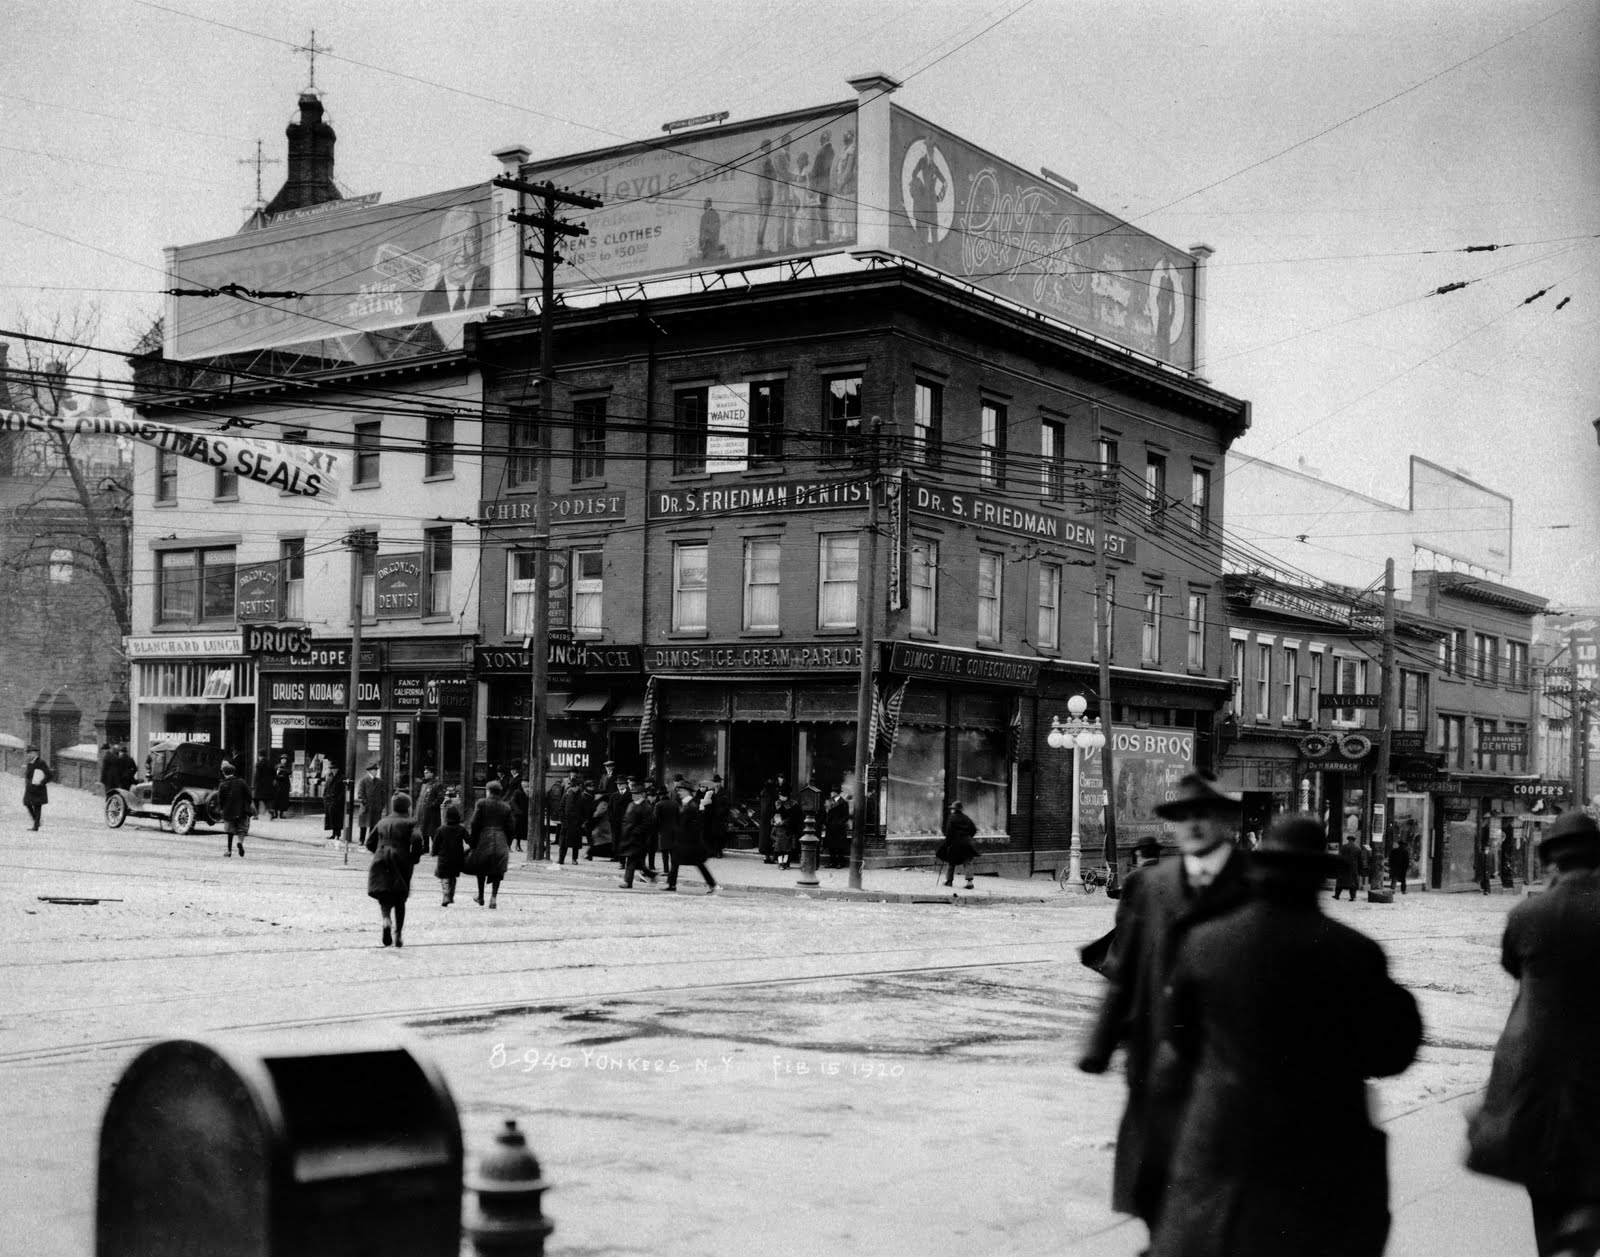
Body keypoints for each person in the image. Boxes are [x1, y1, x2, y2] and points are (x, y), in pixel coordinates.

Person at [1147, 814, 1423, 1257]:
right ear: (1319, 877)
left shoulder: (1202, 942)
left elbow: (1178, 1038)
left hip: (1221, 1145)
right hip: (1320, 1151)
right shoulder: (1354, 952)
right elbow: (1392, 1053)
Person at [1078, 772, 1251, 1239]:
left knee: (1213, 1173)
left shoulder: (1253, 884)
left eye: (1204, 816)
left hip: (1225, 1058)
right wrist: (1099, 1044)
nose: (1192, 825)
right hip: (1153, 1051)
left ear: (1226, 823)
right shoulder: (1151, 886)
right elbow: (1125, 970)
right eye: (1183, 817)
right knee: (1153, 1167)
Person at [1466, 812, 1600, 1257]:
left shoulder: (1529, 913)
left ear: (1550, 862)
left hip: (1539, 1077)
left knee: (1550, 1184)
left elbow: (1513, 966)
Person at [365, 792, 424, 947]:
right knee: (400, 896)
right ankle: (398, 933)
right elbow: (417, 839)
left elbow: (369, 842)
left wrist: (379, 851)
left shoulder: (383, 821)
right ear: (407, 807)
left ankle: (386, 920)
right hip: (402, 860)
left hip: (381, 859)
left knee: (384, 893)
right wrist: (414, 857)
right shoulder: (411, 822)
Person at [464, 779, 514, 908]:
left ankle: (480, 896)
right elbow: (511, 828)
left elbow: (474, 823)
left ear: (488, 791)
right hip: (501, 840)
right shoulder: (506, 806)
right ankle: (493, 898)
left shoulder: (481, 803)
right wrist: (507, 843)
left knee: (481, 868)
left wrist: (473, 840)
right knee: (498, 870)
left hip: (484, 839)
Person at [665, 781, 718, 894]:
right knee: (675, 861)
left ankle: (712, 884)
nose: (679, 792)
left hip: (690, 842)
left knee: (697, 863)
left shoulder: (692, 805)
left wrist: (688, 837)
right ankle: (671, 884)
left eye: (681, 791)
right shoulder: (683, 804)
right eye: (678, 790)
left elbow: (696, 825)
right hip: (683, 841)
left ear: (687, 792)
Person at [616, 777, 659, 888]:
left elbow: (646, 824)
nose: (633, 795)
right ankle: (651, 874)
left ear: (641, 795)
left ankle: (627, 882)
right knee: (637, 862)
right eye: (632, 793)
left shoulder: (646, 807)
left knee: (631, 860)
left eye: (635, 793)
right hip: (628, 837)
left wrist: (635, 832)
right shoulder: (631, 804)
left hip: (639, 839)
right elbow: (625, 819)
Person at [937, 799, 980, 889]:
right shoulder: (967, 818)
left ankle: (949, 881)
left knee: (951, 862)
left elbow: (949, 832)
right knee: (967, 862)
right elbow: (974, 830)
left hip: (955, 843)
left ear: (954, 809)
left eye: (952, 808)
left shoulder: (952, 818)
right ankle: (970, 882)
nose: (951, 810)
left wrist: (947, 843)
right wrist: (968, 837)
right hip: (967, 843)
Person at [431, 802, 468, 907]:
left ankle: (446, 895)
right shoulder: (461, 829)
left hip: (444, 857)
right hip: (457, 857)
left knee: (444, 876)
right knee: (452, 877)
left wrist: (434, 852)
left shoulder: (441, 829)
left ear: (446, 817)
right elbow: (469, 840)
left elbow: (436, 843)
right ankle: (451, 896)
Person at [215, 760, 252, 859]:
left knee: (229, 831)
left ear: (223, 773)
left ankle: (229, 851)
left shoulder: (222, 784)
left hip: (228, 811)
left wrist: (221, 809)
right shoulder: (241, 781)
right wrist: (246, 804)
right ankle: (240, 842)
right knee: (242, 828)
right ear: (233, 772)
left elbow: (220, 799)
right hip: (241, 810)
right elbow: (249, 795)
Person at [653, 778, 681, 881]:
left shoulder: (658, 805)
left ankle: (666, 870)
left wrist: (656, 830)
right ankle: (673, 871)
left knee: (664, 853)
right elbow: (679, 817)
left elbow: (655, 819)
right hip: (674, 830)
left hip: (663, 831)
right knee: (673, 852)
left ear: (660, 795)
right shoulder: (675, 803)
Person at [557, 776, 589, 865]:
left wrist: (581, 822)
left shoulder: (582, 797)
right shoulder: (566, 794)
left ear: (578, 787)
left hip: (576, 824)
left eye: (575, 786)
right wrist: (562, 819)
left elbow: (585, 812)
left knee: (575, 844)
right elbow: (561, 807)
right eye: (572, 786)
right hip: (566, 822)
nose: (573, 788)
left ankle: (574, 859)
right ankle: (561, 859)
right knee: (563, 843)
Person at [771, 782, 801, 872]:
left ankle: (787, 863)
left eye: (781, 795)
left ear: (786, 795)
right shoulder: (778, 803)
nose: (780, 797)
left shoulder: (794, 804)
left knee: (788, 847)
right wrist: (774, 821)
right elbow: (773, 814)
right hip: (779, 828)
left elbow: (794, 818)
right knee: (780, 847)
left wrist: (784, 822)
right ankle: (781, 863)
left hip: (789, 828)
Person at [21, 745, 52, 831]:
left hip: (38, 788)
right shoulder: (29, 762)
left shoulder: (40, 762)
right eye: (28, 754)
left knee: (37, 806)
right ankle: (37, 822)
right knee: (27, 803)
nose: (28, 755)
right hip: (30, 788)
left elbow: (49, 775)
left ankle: (36, 826)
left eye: (30, 753)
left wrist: (41, 782)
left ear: (35, 753)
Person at [356, 760, 387, 847]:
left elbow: (383, 794)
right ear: (369, 771)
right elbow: (360, 794)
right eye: (374, 770)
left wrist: (381, 805)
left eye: (376, 770)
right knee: (363, 825)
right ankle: (361, 840)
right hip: (366, 807)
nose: (376, 772)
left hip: (376, 807)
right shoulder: (363, 781)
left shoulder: (379, 782)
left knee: (374, 826)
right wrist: (365, 803)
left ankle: (371, 841)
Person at [823, 786, 850, 869]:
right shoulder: (830, 802)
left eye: (832, 792)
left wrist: (839, 824)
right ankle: (832, 862)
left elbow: (846, 817)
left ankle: (840, 863)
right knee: (831, 847)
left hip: (839, 828)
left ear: (836, 793)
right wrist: (826, 823)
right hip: (830, 828)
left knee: (839, 847)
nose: (831, 793)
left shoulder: (843, 803)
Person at [416, 767, 443, 846]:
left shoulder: (437, 785)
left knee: (432, 831)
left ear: (432, 773)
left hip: (432, 813)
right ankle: (425, 848)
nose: (425, 774)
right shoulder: (424, 785)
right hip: (424, 812)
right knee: (424, 830)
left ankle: (435, 849)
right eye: (424, 772)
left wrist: (432, 805)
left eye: (427, 772)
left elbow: (440, 798)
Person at [1334, 830, 1364, 901]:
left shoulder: (1343, 847)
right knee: (1353, 883)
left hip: (1343, 867)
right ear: (1354, 840)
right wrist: (1360, 870)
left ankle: (1337, 895)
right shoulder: (1358, 849)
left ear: (1348, 840)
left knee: (1340, 882)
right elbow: (1360, 861)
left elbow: (1339, 857)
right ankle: (1353, 897)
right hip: (1353, 868)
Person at [322, 765, 346, 846]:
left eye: (335, 768)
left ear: (337, 769)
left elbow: (343, 790)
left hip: (337, 801)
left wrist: (339, 799)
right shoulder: (329, 777)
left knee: (337, 818)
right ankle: (333, 833)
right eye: (332, 769)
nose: (333, 770)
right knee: (331, 818)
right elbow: (326, 788)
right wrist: (324, 797)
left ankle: (337, 834)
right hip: (329, 800)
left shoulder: (342, 777)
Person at [253, 753, 274, 819]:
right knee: (267, 800)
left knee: (256, 799)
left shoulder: (259, 764)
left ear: (260, 756)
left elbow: (257, 775)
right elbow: (274, 774)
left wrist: (254, 783)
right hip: (268, 785)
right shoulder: (270, 763)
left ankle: (256, 815)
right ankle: (269, 812)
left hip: (260, 784)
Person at [272, 755, 292, 820]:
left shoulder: (288, 766)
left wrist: (282, 770)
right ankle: (275, 813)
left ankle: (281, 813)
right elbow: (274, 774)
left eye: (285, 759)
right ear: (280, 760)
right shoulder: (277, 766)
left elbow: (289, 772)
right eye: (282, 759)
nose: (284, 760)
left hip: (285, 785)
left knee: (283, 800)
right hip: (278, 785)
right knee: (276, 799)